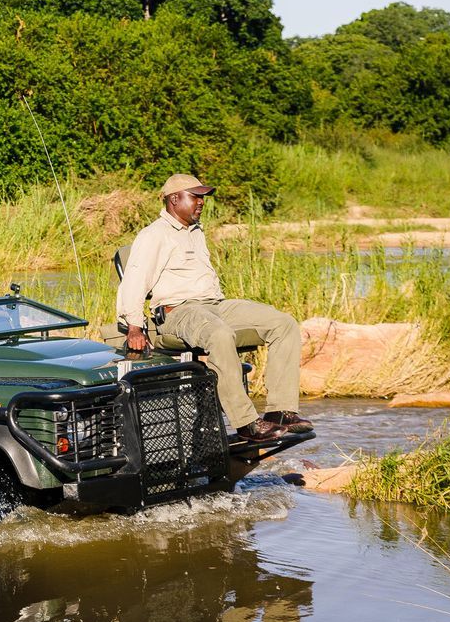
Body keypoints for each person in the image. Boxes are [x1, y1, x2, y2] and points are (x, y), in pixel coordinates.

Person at [118, 174, 310, 444]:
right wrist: (134, 327)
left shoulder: (195, 231)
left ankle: (280, 411)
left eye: (203, 197)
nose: (201, 202)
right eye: (195, 196)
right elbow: (134, 281)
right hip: (178, 312)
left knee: (284, 323)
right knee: (219, 334)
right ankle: (245, 423)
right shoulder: (154, 236)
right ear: (174, 199)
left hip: (214, 306)